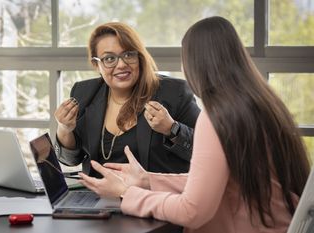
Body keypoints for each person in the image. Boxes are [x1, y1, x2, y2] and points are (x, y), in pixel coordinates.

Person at [79, 16, 311, 233]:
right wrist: (148, 180)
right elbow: (218, 180)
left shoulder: (217, 118)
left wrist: (126, 193)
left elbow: (192, 211)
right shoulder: (259, 103)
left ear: (196, 64)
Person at [54, 22, 200, 177]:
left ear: (139, 57)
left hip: (152, 197)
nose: (122, 64)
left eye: (128, 55)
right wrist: (64, 129)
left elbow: (207, 151)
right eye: (109, 58)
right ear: (96, 65)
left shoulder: (174, 92)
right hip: (97, 197)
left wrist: (171, 129)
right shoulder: (84, 92)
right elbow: (70, 160)